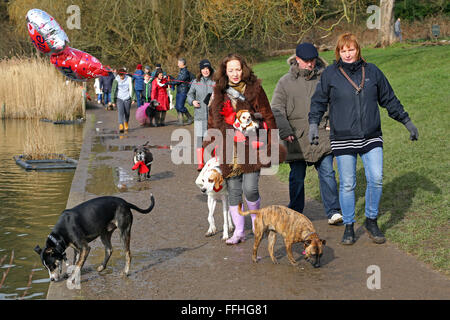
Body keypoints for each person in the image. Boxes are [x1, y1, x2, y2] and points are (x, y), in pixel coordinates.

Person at [308, 33, 419, 245]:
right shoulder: (331, 74)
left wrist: (406, 121)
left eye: (351, 49)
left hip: (371, 135)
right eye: (343, 50)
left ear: (358, 50)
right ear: (338, 52)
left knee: (376, 178)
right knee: (348, 184)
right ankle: (349, 225)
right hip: (343, 137)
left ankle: (371, 220)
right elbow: (318, 102)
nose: (348, 54)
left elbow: (389, 98)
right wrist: (314, 124)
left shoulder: (373, 71)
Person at [204, 53, 284, 245]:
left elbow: (268, 115)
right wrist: (210, 144)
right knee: (233, 191)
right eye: (230, 70)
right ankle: (238, 232)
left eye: (238, 69)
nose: (235, 73)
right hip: (227, 147)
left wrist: (272, 142)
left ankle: (257, 224)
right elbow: (212, 120)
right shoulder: (219, 91)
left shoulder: (255, 89)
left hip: (252, 146)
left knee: (250, 189)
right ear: (225, 71)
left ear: (243, 69)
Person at [271, 43, 342, 225]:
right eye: (306, 61)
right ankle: (295, 210)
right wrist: (285, 131)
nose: (310, 64)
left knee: (327, 172)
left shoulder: (326, 78)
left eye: (313, 60)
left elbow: (336, 103)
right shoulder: (284, 82)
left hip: (321, 133)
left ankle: (333, 211)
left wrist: (331, 124)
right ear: (297, 59)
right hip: (295, 137)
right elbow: (276, 109)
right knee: (296, 176)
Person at [187, 59, 215, 171]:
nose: (205, 71)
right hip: (199, 115)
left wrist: (214, 98)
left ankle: (213, 161)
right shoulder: (195, 82)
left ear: (210, 69)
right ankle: (200, 163)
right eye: (203, 68)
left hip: (212, 116)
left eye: (207, 69)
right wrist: (192, 101)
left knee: (213, 138)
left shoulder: (215, 81)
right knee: (199, 139)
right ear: (200, 70)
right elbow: (189, 95)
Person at [167, 58, 194, 125]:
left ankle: (190, 117)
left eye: (179, 63)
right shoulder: (181, 71)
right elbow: (178, 80)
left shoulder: (185, 72)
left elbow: (178, 81)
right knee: (177, 106)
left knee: (180, 106)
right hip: (179, 91)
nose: (177, 64)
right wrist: (171, 78)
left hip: (183, 91)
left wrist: (169, 83)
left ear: (182, 64)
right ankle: (180, 121)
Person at [111, 68, 136, 133]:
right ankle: (121, 125)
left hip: (127, 97)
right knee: (120, 112)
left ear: (125, 74)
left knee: (127, 113)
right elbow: (113, 90)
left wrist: (133, 98)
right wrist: (113, 101)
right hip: (119, 98)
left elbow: (132, 89)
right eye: (120, 75)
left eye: (122, 75)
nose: (121, 76)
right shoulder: (116, 80)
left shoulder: (129, 79)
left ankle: (126, 123)